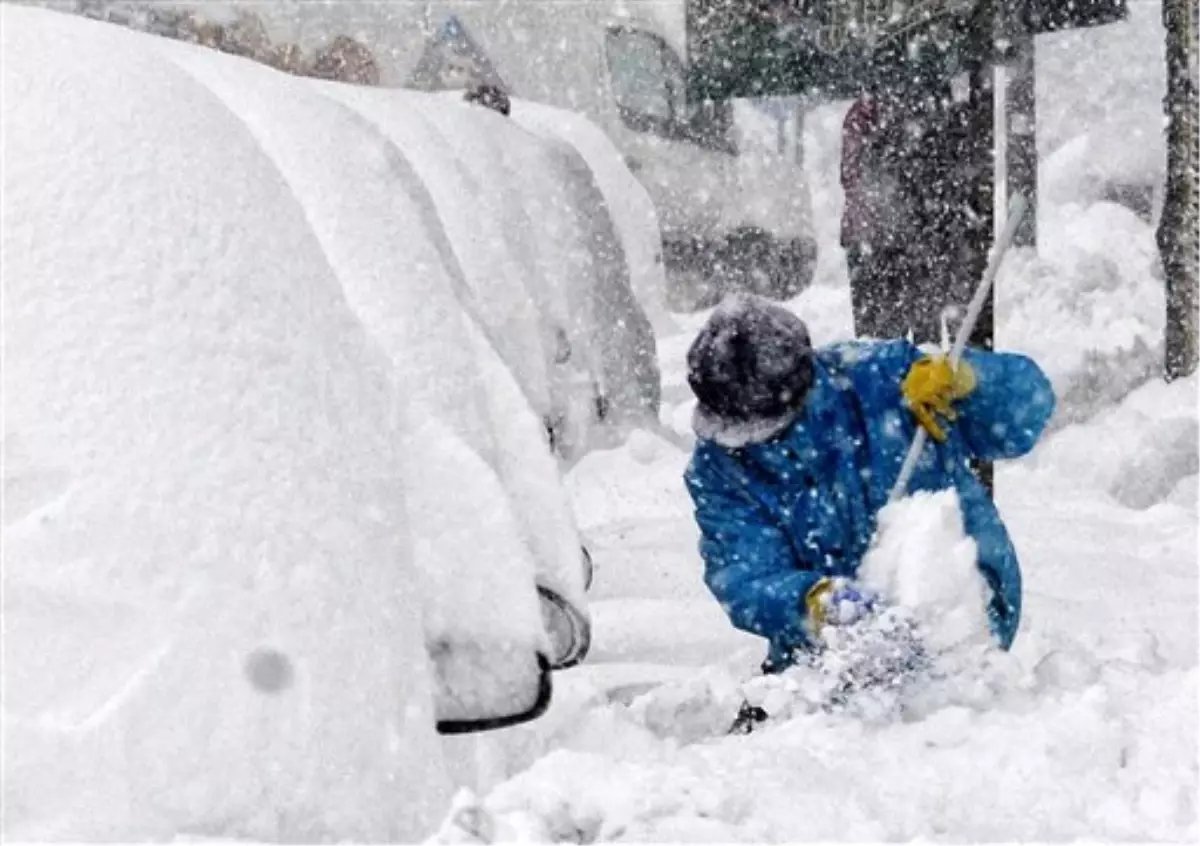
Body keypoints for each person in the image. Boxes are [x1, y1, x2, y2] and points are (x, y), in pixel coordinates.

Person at [683, 295, 1055, 701]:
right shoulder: (720, 468)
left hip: (958, 614)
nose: (749, 442)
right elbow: (744, 575)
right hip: (827, 653)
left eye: (763, 427)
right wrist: (810, 602)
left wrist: (970, 382)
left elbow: (1027, 410)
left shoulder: (885, 380)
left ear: (800, 388)